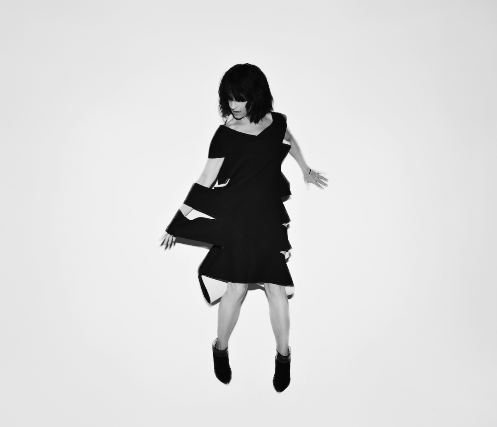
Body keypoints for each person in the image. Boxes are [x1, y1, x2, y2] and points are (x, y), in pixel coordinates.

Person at [160, 63, 327, 393]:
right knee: (236, 289)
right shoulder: (225, 134)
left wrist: (305, 169)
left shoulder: (275, 122)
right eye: (228, 98)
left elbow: (289, 140)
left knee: (276, 288)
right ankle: (220, 348)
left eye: (239, 98)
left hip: (267, 218)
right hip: (237, 220)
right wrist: (178, 220)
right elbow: (206, 179)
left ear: (256, 96)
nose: (233, 105)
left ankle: (283, 357)